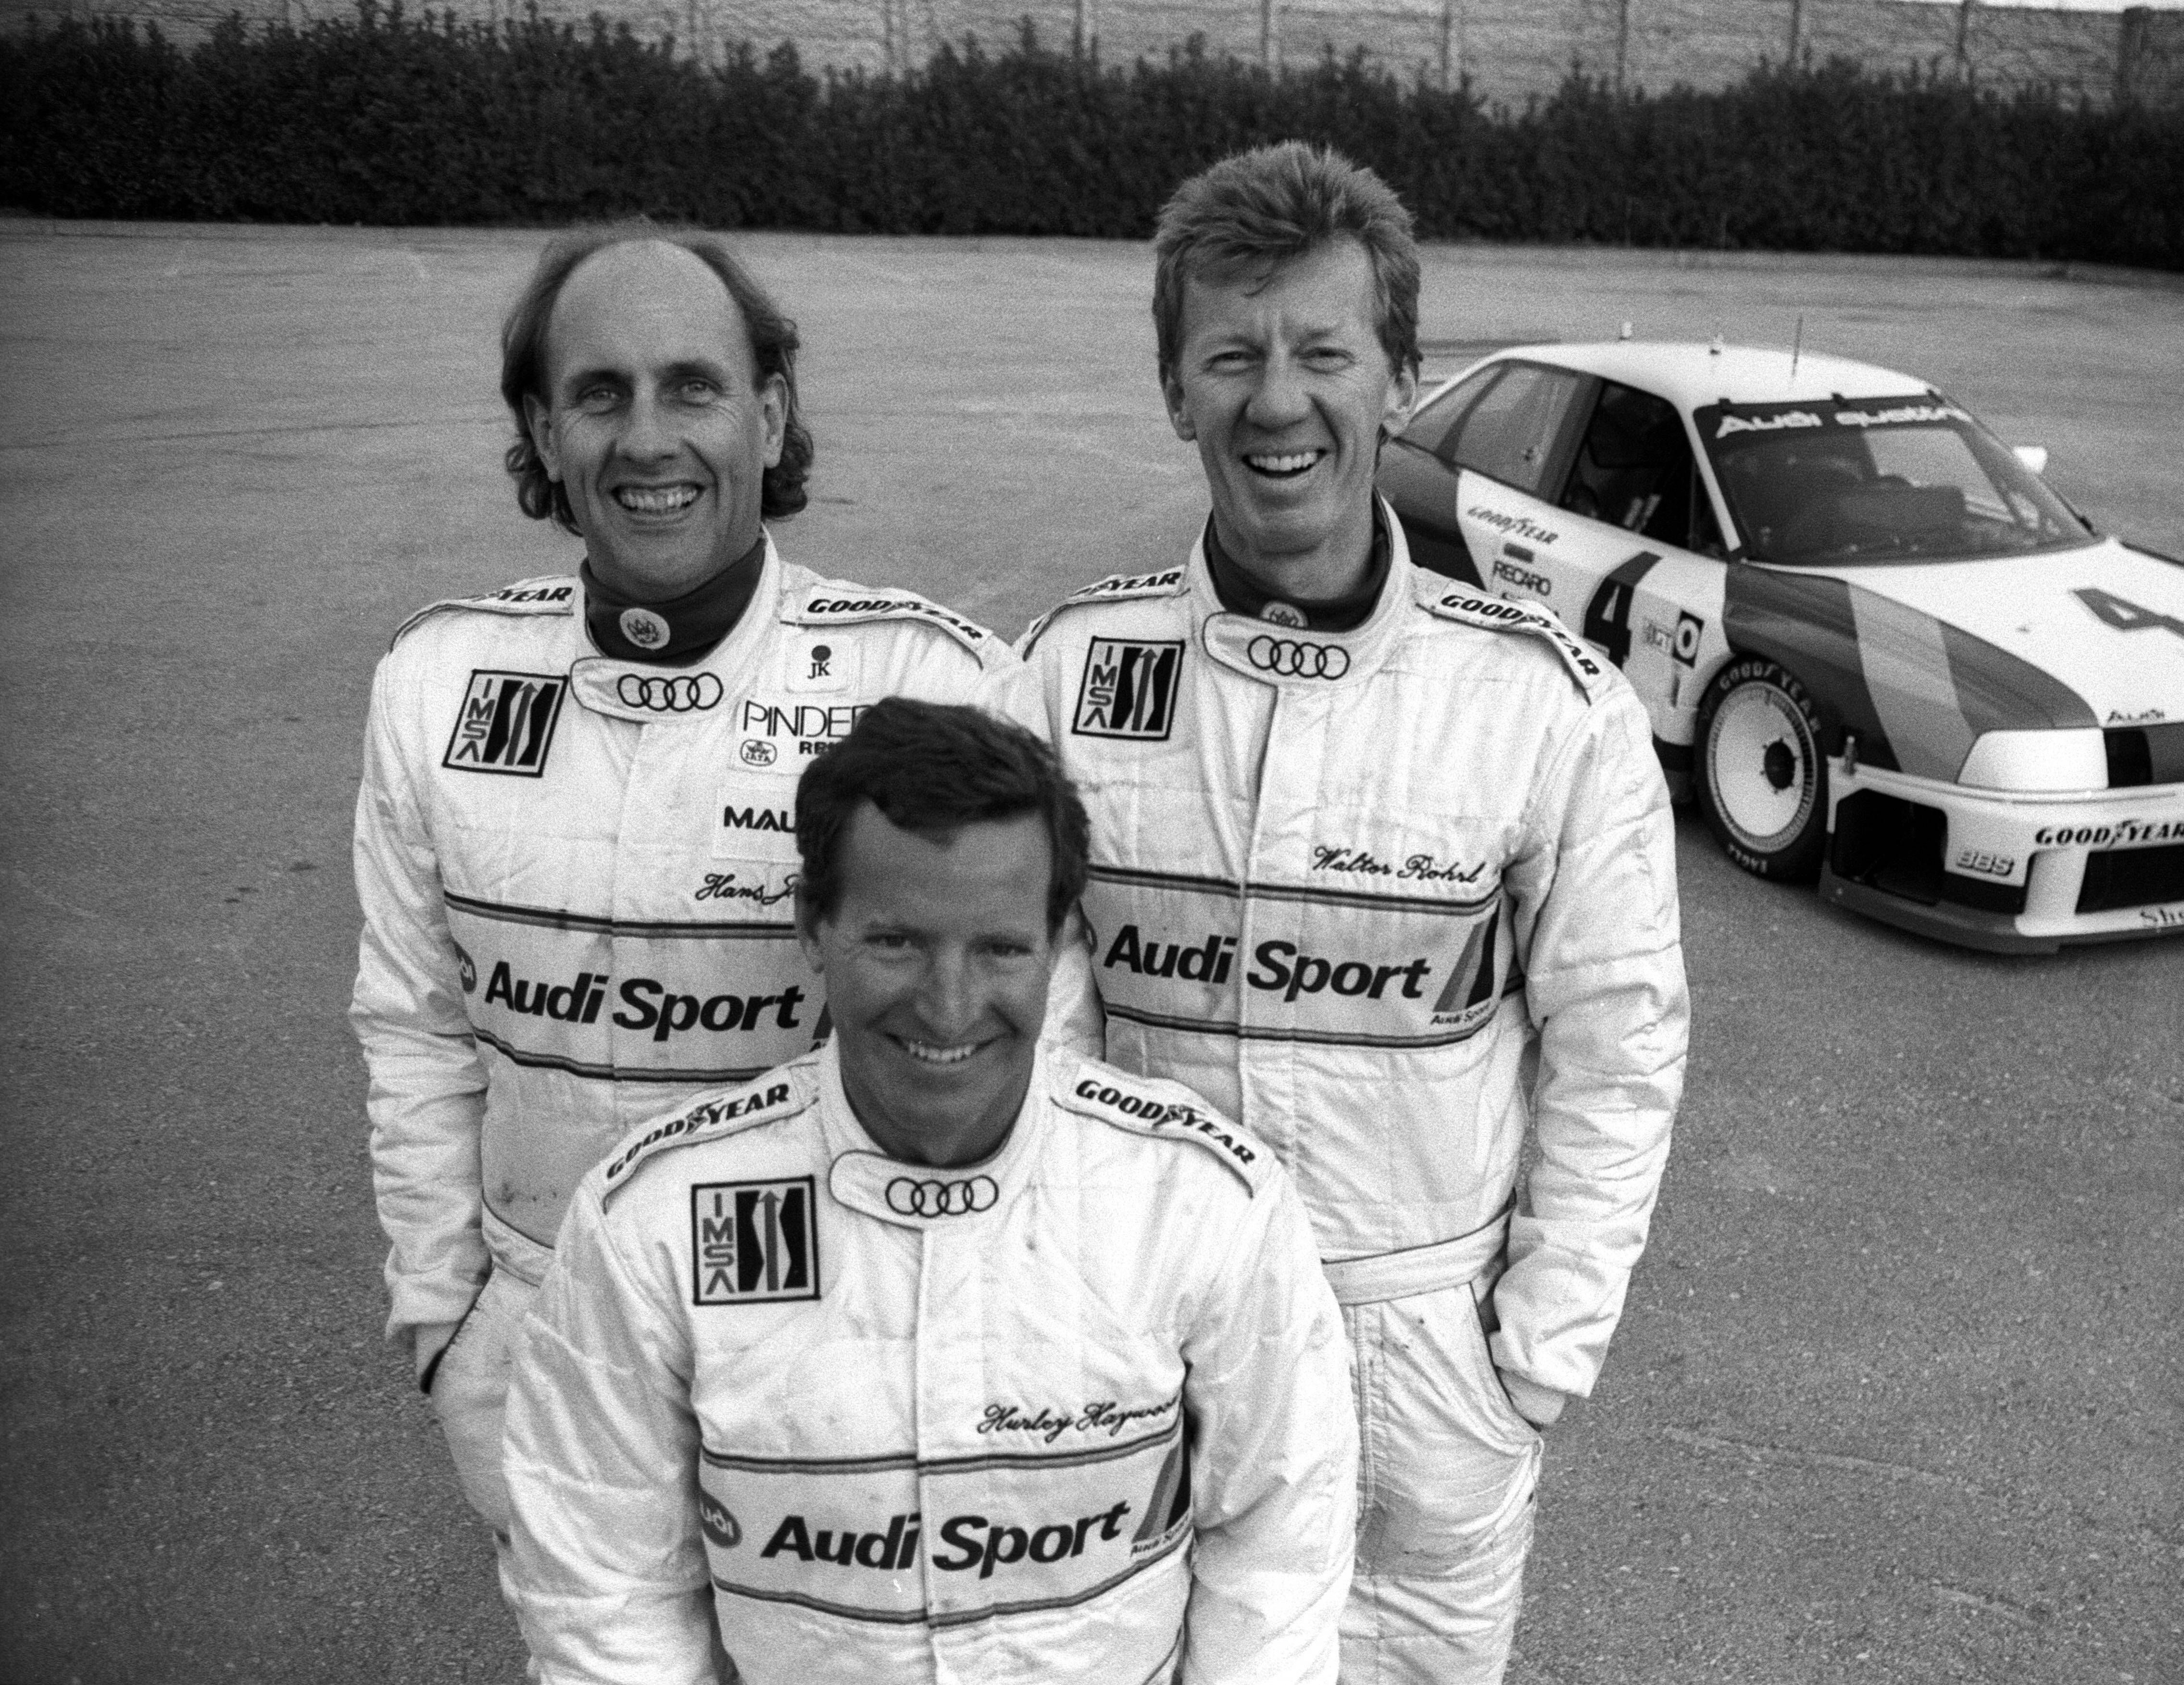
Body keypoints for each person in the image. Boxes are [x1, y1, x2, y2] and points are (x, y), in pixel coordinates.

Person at [1000, 142, 1689, 1684]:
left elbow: (1619, 1046)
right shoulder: (1062, 676)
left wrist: (1533, 1358)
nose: (1277, 402)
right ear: (1173, 389)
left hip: (1427, 1367)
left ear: (1402, 379)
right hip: (1152, 1346)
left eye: (1323, 353)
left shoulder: (1546, 704)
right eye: (1230, 356)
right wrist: (1070, 1307)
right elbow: (1035, 1030)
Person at [349, 228, 1010, 1608]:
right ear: (546, 431)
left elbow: (1027, 1050)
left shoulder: (926, 679)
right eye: (600, 394)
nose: (647, 438)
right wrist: (444, 1319)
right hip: (538, 1339)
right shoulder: (437, 678)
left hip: (840, 1347)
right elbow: (413, 1028)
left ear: (768, 414)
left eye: (692, 387)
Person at [502, 699, 1356, 1682]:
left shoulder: (1204, 1201)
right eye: (897, 941)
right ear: (812, 927)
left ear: (1058, 943)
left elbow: (1280, 1550)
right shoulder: (653, 1220)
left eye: (999, 948)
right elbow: (605, 1590)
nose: (949, 1006)